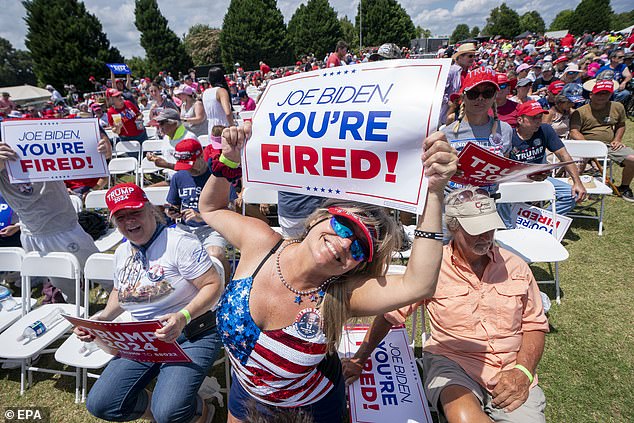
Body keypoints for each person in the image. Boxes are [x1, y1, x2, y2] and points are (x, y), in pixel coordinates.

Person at [198, 123, 457, 422]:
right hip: (246, 391)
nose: (346, 243)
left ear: (357, 266)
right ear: (319, 218)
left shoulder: (341, 295)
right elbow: (212, 208)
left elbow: (419, 284)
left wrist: (435, 192)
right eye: (344, 225)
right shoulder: (259, 243)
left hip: (310, 408)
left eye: (361, 247)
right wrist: (229, 159)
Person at [343, 187, 550, 423]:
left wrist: (522, 371)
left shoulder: (516, 266)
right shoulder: (432, 268)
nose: (486, 236)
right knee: (463, 417)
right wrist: (359, 359)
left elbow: (535, 324)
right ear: (453, 227)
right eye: (476, 230)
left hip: (511, 367)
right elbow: (390, 315)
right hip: (453, 362)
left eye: (489, 227)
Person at [76, 183, 224, 423]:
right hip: (144, 338)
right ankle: (163, 408)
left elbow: (213, 286)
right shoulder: (122, 252)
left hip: (192, 332)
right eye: (121, 217)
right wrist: (102, 318)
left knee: (169, 412)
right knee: (101, 404)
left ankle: (200, 412)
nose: (129, 221)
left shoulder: (179, 243)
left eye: (135, 212)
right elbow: (121, 290)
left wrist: (183, 316)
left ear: (150, 209)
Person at [0, 139, 109, 302]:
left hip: (65, 229)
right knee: (63, 284)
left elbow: (91, 159)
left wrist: (103, 153)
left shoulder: (40, 143)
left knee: (103, 273)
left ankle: (130, 305)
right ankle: (77, 314)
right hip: (31, 234)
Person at [165, 139, 230, 282]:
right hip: (185, 228)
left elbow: (230, 211)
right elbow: (171, 203)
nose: (188, 169)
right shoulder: (179, 177)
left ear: (201, 156)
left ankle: (227, 287)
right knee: (169, 257)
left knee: (215, 255)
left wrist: (202, 216)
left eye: (191, 165)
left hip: (212, 228)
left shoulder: (217, 175)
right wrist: (171, 211)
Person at [510, 101, 586, 219]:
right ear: (520, 120)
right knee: (500, 196)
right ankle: (511, 223)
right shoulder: (509, 135)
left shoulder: (545, 129)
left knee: (572, 194)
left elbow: (563, 155)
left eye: (540, 117)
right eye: (533, 118)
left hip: (541, 179)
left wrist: (577, 182)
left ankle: (539, 220)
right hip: (515, 181)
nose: (538, 121)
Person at [443, 68, 513, 194]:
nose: (480, 98)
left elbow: (505, 169)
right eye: (473, 93)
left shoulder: (505, 130)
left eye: (487, 93)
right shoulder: (446, 133)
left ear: (494, 97)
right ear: (463, 97)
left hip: (488, 202)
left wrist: (530, 176)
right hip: (453, 202)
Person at [570, 79, 634, 202]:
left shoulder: (617, 107)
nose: (602, 96)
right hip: (585, 145)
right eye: (599, 93)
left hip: (609, 146)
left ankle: (624, 187)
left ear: (611, 94)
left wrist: (617, 139)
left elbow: (621, 124)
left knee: (632, 159)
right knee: (576, 166)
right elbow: (574, 131)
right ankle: (577, 187)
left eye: (606, 93)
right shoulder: (580, 111)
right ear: (591, 95)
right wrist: (588, 146)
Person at [146, 109, 198, 175]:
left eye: (162, 123)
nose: (159, 126)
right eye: (158, 123)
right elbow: (169, 158)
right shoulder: (166, 137)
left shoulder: (189, 139)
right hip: (172, 179)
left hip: (189, 180)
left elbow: (194, 169)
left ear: (174, 124)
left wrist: (167, 165)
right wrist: (156, 158)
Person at [441, 43, 477, 125]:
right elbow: (440, 90)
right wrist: (448, 102)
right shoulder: (450, 71)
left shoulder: (469, 73)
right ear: (460, 57)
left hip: (464, 110)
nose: (473, 59)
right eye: (470, 56)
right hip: (449, 110)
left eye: (474, 56)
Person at [202, 67, 235, 138]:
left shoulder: (205, 93)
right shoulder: (221, 91)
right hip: (223, 125)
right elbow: (228, 112)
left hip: (211, 127)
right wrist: (232, 126)